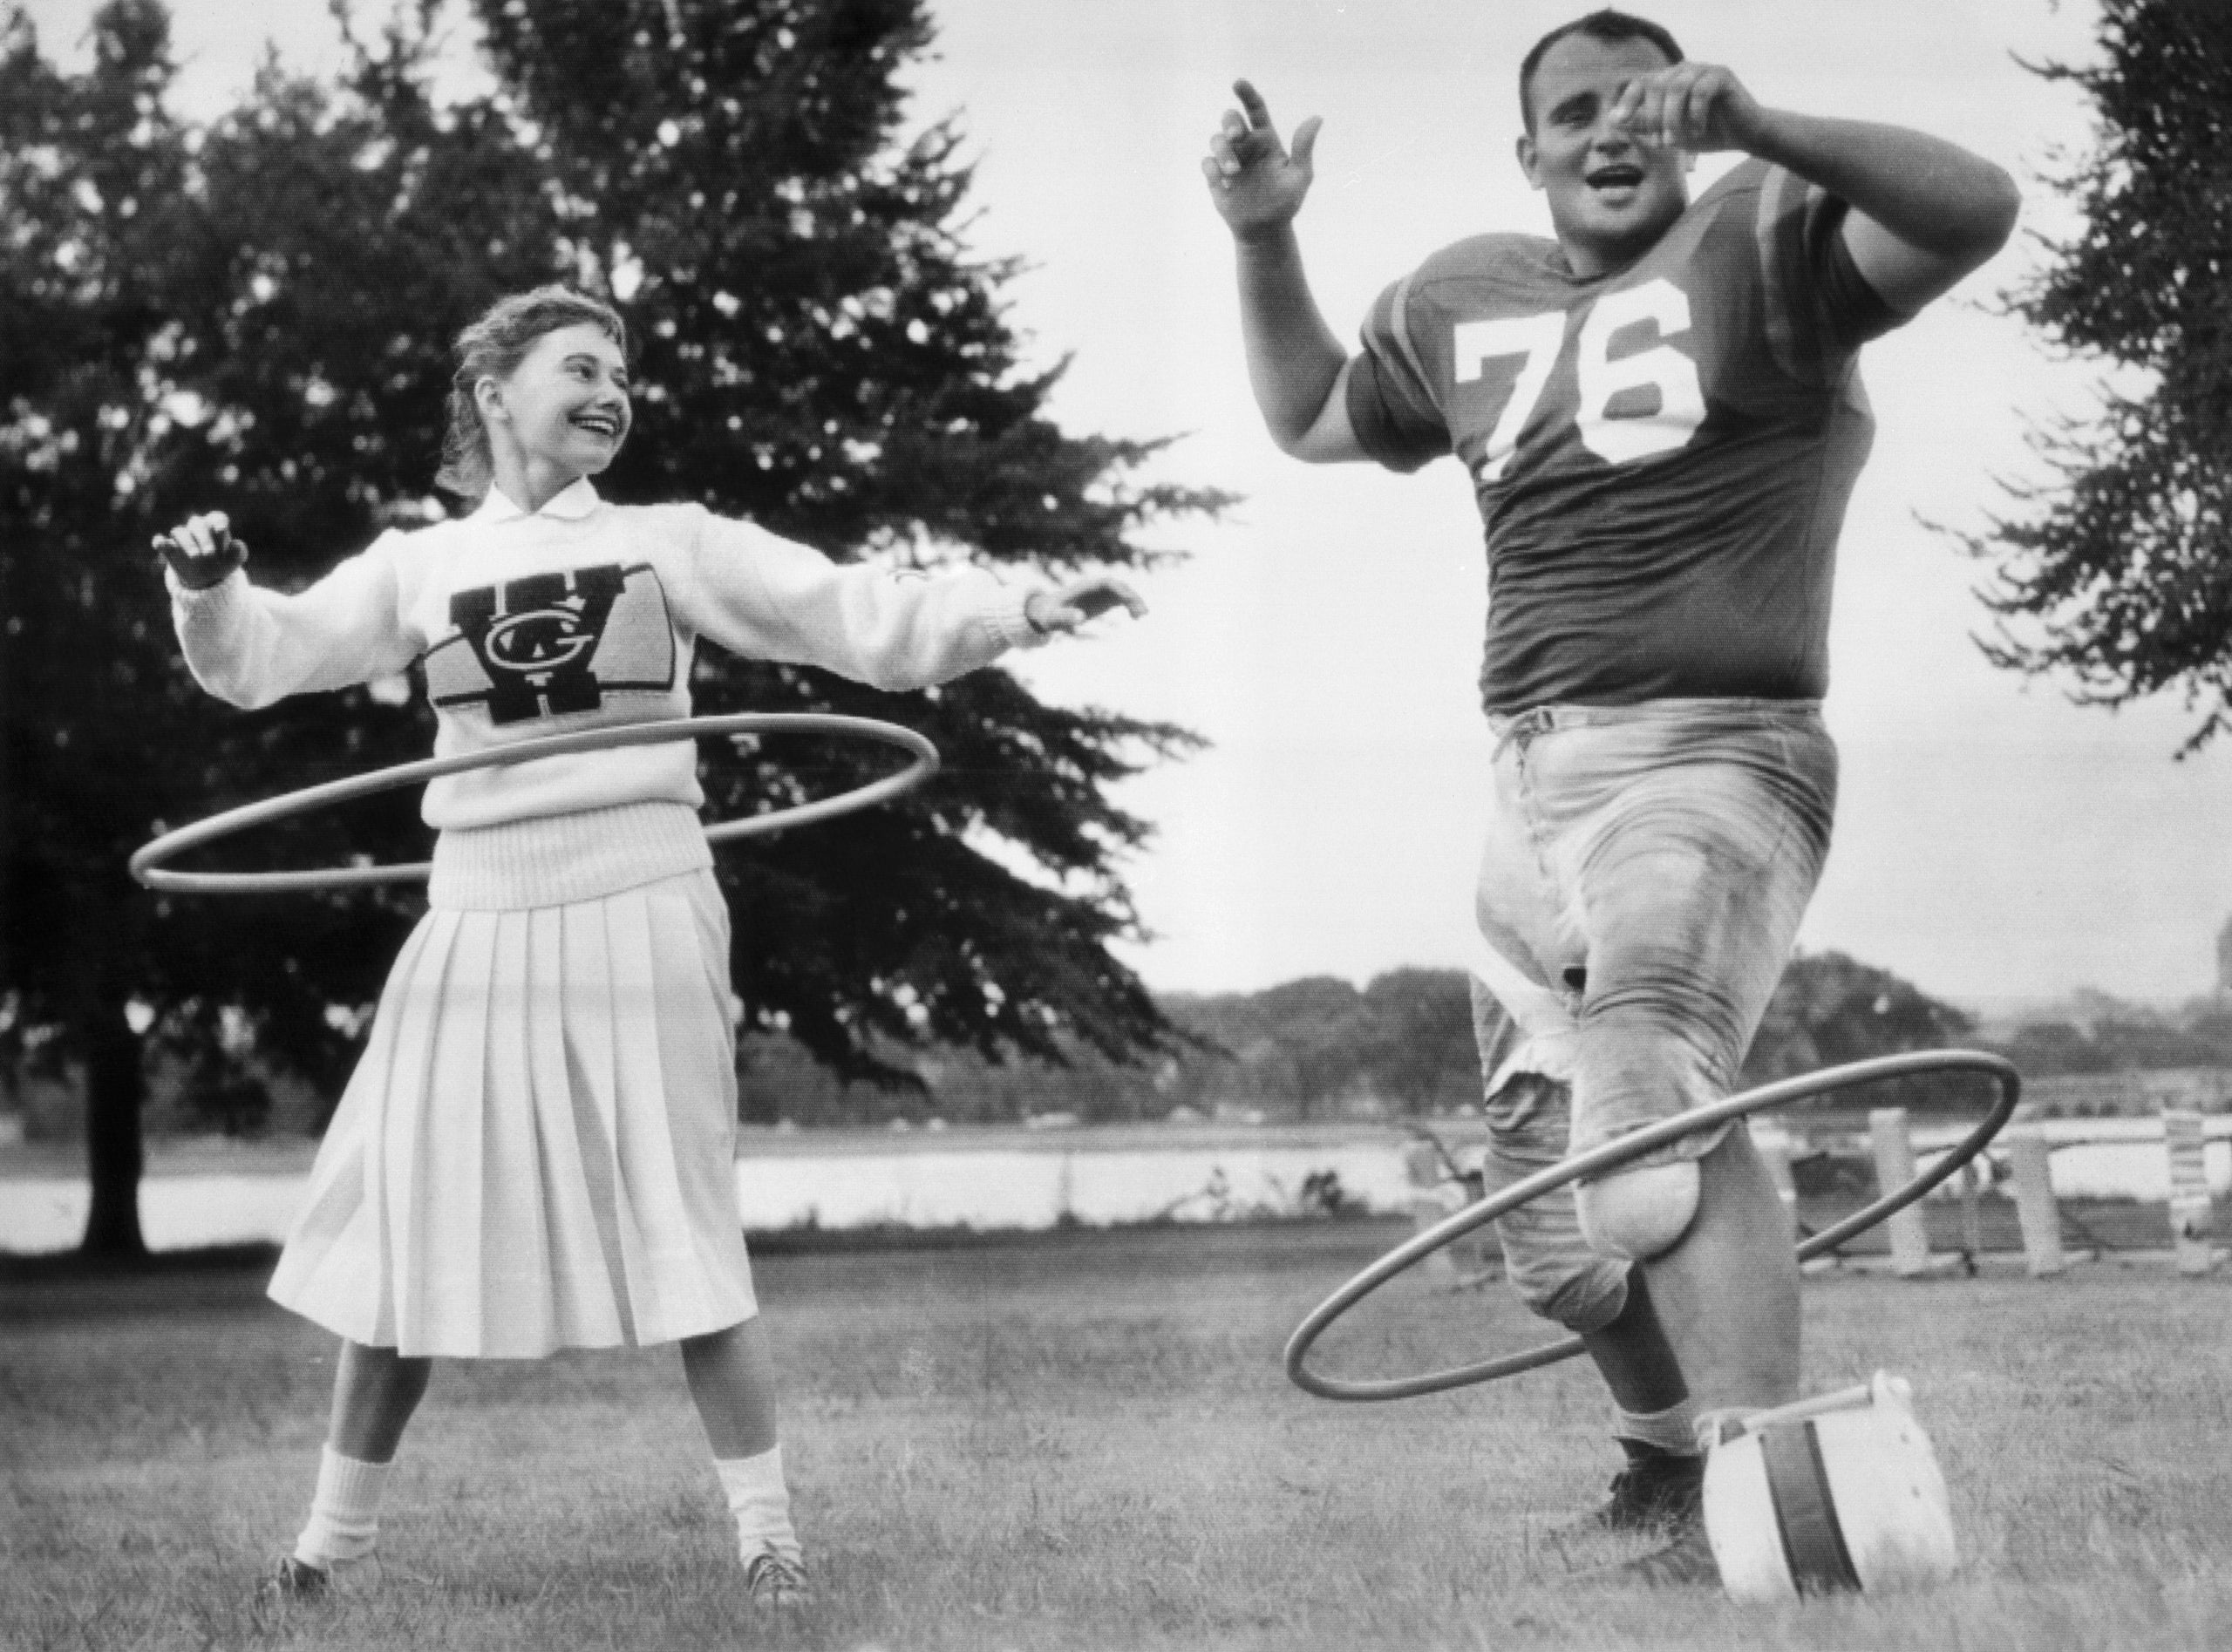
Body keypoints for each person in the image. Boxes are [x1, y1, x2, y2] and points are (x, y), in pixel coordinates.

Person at [156, 285, 1143, 1610]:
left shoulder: (669, 540)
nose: (613, 391)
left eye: (625, 373)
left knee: (681, 1222)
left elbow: (850, 614)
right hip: (474, 918)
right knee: (406, 1235)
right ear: (497, 393)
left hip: (644, 899)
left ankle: (769, 1538)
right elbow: (260, 660)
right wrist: (211, 587)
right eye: (582, 367)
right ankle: (326, 1550)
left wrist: (1018, 609)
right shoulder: (417, 568)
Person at [1202, 9, 2018, 1578]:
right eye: (1574, 109)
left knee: (1648, 1101)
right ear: (1528, 152)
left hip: (1715, 752)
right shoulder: (1461, 293)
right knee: (1553, 1228)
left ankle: (1782, 1506)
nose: (1609, 129)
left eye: (1642, 101)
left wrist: (1768, 126)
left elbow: (1973, 206)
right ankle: (1657, 1474)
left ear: (1689, 122)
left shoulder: (1766, 241)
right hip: (1530, 784)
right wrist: (1262, 241)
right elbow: (1310, 418)